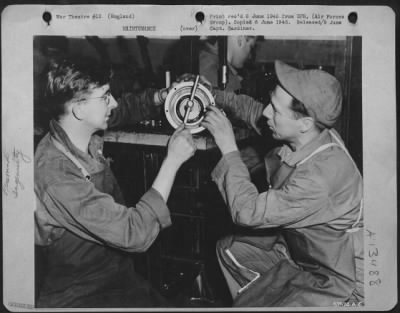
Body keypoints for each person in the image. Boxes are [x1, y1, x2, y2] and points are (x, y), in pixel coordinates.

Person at [34, 59, 196, 308]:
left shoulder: (77, 128)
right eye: (106, 96)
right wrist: (172, 161)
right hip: (80, 296)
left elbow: (125, 109)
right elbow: (135, 233)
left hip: (118, 278)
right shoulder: (57, 176)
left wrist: (163, 96)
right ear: (79, 109)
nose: (115, 102)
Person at [201, 60, 363, 307]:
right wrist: (211, 94)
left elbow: (247, 212)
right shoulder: (311, 134)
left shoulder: (320, 177)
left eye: (275, 110)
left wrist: (228, 147)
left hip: (339, 280)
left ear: (304, 123)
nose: (267, 112)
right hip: (306, 255)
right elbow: (252, 110)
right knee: (231, 249)